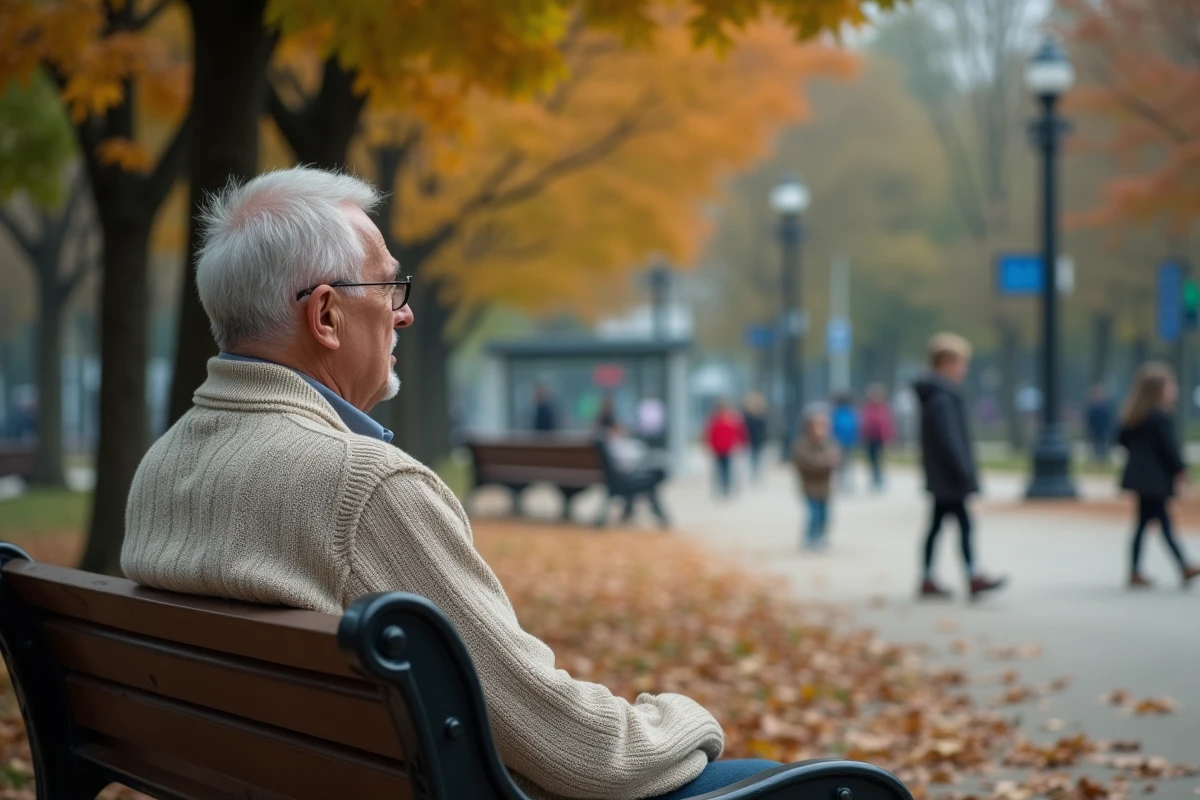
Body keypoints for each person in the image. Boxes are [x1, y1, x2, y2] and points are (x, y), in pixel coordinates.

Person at [120, 167, 776, 800]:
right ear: (325, 315)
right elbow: (580, 755)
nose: (403, 315)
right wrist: (683, 716)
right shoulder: (365, 488)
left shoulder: (160, 467)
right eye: (387, 288)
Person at [913, 333, 1005, 601]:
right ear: (944, 363)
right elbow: (950, 440)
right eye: (960, 363)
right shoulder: (942, 397)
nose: (963, 369)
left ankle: (930, 577)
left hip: (942, 476)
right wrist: (964, 472)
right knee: (963, 525)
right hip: (949, 476)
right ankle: (971, 576)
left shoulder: (937, 394)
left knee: (937, 527)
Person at [1116, 362, 1200, 588]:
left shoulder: (1134, 415)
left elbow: (1121, 440)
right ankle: (1183, 565)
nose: (1174, 389)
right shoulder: (1160, 417)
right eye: (1170, 385)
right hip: (1156, 479)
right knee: (1162, 521)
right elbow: (1168, 448)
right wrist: (1180, 469)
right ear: (1159, 390)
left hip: (1139, 478)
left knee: (1144, 524)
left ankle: (1136, 571)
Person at [792, 405, 840, 550]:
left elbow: (836, 458)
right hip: (810, 487)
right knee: (813, 514)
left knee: (825, 515)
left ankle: (821, 536)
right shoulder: (802, 445)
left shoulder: (830, 444)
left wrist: (830, 461)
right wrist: (824, 462)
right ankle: (810, 537)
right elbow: (806, 462)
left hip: (825, 488)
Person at [705, 399, 746, 498]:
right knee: (719, 469)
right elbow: (710, 435)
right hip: (718, 449)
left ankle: (727, 487)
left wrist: (741, 444)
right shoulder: (715, 420)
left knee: (728, 469)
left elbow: (739, 433)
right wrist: (709, 446)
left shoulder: (733, 420)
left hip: (729, 449)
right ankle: (720, 486)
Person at [860, 384, 895, 491]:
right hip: (870, 438)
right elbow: (863, 423)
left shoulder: (883, 408)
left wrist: (890, 437)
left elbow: (888, 424)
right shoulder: (867, 408)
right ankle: (874, 478)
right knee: (871, 459)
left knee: (879, 459)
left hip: (880, 438)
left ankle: (879, 479)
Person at [830, 394, 859, 491]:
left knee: (840, 465)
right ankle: (849, 484)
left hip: (838, 442)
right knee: (849, 463)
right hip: (849, 441)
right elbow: (856, 427)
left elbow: (832, 428)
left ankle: (841, 483)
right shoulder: (851, 412)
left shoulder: (835, 412)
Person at [741, 391, 768, 482]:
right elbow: (744, 429)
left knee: (759, 458)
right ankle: (753, 474)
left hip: (759, 440)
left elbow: (763, 429)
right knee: (752, 458)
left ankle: (758, 475)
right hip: (750, 440)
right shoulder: (747, 416)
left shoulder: (761, 415)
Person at [1086, 383, 1115, 464]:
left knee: (1103, 446)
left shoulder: (1105, 406)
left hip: (1103, 430)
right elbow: (1090, 420)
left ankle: (1102, 460)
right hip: (1095, 430)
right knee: (1096, 446)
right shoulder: (1093, 406)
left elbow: (1108, 419)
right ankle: (1097, 460)